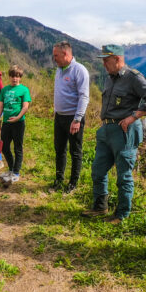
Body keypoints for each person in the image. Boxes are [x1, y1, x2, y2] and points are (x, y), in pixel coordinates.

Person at [88, 44, 146, 224]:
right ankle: (100, 206)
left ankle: (121, 214)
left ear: (118, 59)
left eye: (107, 60)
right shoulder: (109, 79)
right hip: (106, 130)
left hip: (124, 131)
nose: (104, 63)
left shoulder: (133, 78)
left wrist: (134, 116)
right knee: (97, 170)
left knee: (123, 175)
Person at [51, 41, 90, 193]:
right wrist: (56, 110)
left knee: (75, 151)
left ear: (66, 54)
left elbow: (84, 97)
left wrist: (77, 119)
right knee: (59, 149)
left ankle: (73, 183)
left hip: (73, 119)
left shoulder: (79, 70)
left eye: (56, 55)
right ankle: (59, 180)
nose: (54, 58)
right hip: (59, 117)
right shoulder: (59, 70)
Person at [0, 66, 32, 184]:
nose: (14, 79)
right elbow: (1, 106)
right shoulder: (5, 90)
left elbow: (25, 106)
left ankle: (16, 173)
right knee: (5, 147)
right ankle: (11, 169)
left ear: (20, 77)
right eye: (12, 76)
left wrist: (17, 117)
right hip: (6, 123)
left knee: (18, 148)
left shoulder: (24, 90)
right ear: (9, 76)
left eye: (17, 76)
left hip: (18, 123)